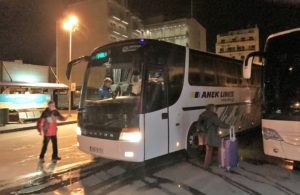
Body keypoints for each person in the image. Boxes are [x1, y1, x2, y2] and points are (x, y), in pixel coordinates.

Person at [198, 104, 230, 169]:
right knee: (220, 147)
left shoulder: (202, 115)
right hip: (211, 135)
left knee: (209, 149)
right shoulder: (212, 115)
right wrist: (229, 126)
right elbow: (219, 123)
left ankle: (206, 165)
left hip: (204, 135)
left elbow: (198, 125)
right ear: (212, 108)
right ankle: (220, 163)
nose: (215, 109)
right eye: (215, 108)